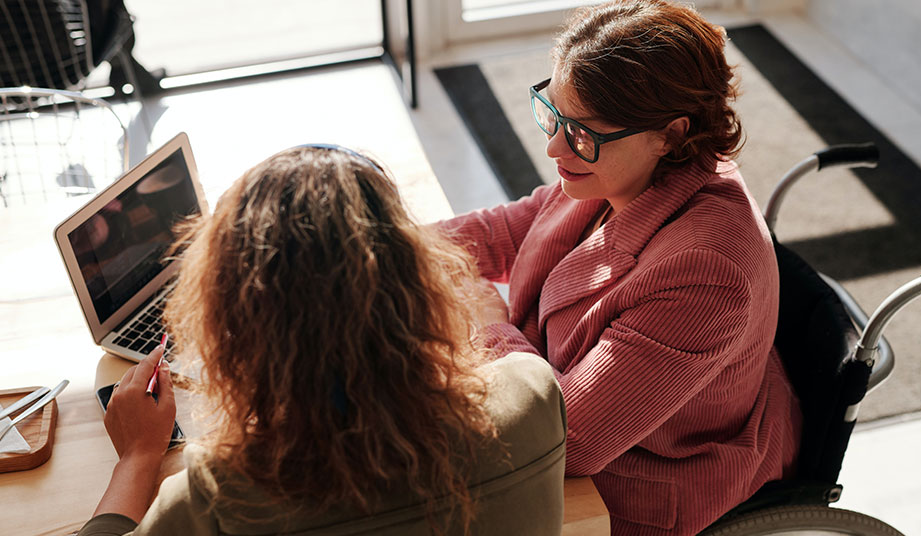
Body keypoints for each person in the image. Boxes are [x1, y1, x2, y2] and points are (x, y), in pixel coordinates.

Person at [438, 1, 802, 535]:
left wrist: (486, 319)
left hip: (636, 486)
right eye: (552, 114)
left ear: (672, 134)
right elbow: (506, 229)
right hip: (575, 422)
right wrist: (373, 243)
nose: (553, 146)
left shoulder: (707, 271)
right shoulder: (617, 169)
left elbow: (572, 439)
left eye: (582, 132)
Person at [77, 145, 567, 536]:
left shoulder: (218, 500)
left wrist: (138, 458)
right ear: (421, 279)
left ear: (236, 324)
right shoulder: (534, 395)